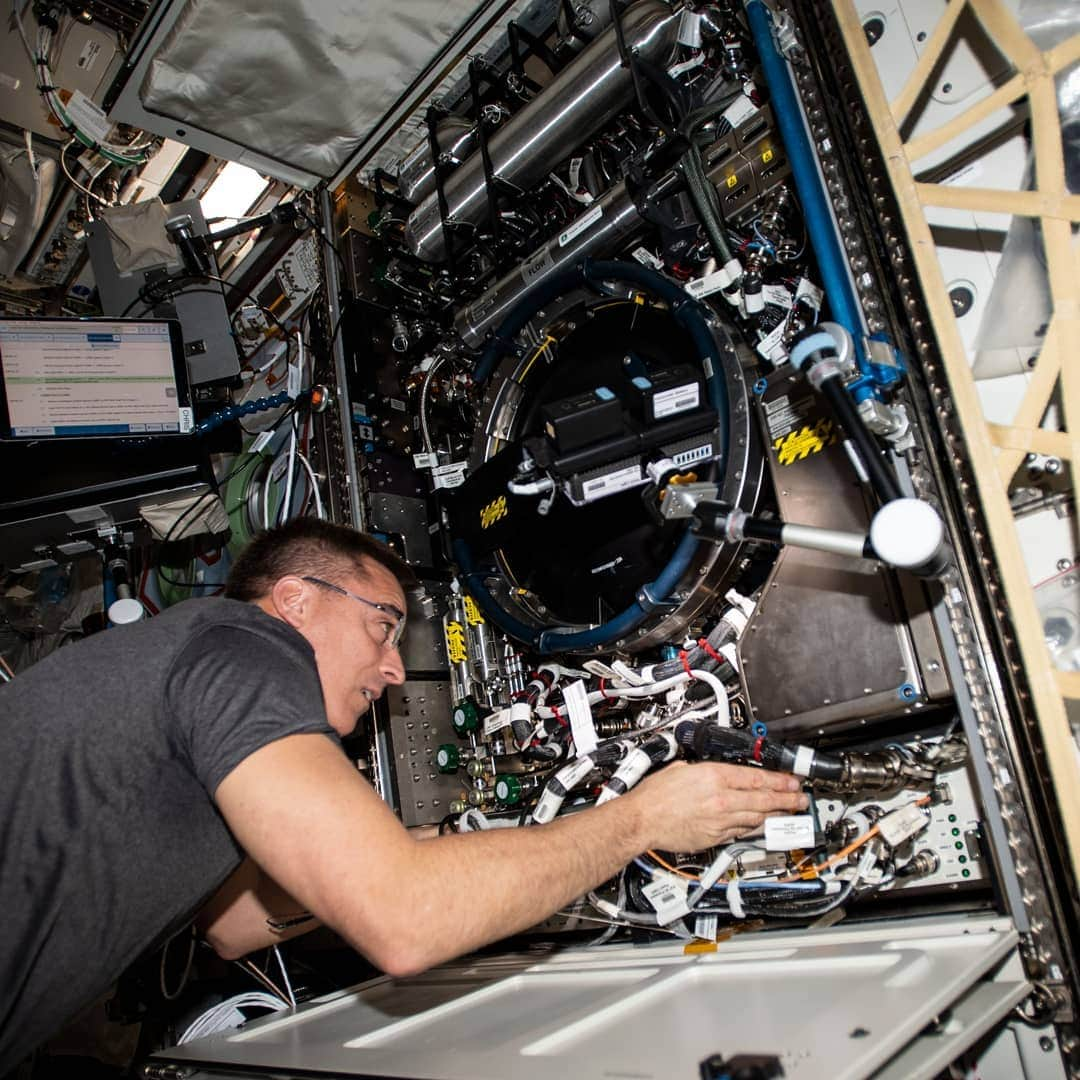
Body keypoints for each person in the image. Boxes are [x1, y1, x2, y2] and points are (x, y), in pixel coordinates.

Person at [0, 518, 807, 1071]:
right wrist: (642, 819)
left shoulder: (193, 684)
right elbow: (404, 923)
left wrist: (421, 856)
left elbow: (234, 928)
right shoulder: (243, 645)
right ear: (296, 599)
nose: (393, 670)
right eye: (384, 628)